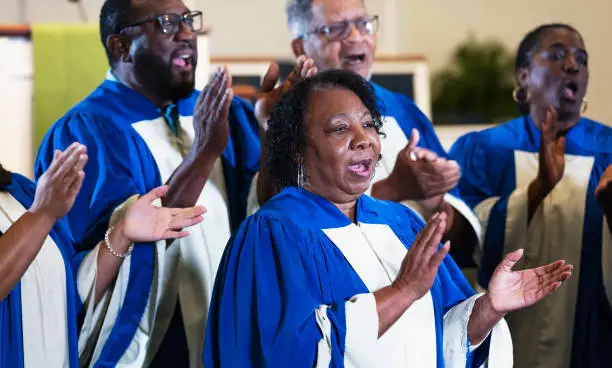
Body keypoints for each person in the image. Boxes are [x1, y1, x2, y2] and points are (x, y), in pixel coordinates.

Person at [203, 69, 573, 367]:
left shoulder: (401, 222)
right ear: (299, 149)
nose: (364, 139)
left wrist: (488, 309)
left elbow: (440, 338)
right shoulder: (273, 232)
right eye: (340, 128)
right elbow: (288, 354)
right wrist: (403, 291)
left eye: (369, 125)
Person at [33, 0, 314, 366]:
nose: (186, 34)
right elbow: (115, 252)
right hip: (155, 348)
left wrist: (273, 132)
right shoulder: (86, 133)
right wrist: (203, 152)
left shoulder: (221, 111)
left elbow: (264, 213)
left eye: (188, 20)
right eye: (166, 23)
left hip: (226, 328)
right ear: (121, 47)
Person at [449, 23, 612, 367]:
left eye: (581, 58)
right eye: (556, 54)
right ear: (523, 75)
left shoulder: (608, 150)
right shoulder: (485, 149)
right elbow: (462, 245)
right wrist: (536, 191)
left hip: (591, 336)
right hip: (506, 334)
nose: (572, 65)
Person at [283, 0, 481, 269]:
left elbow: (461, 242)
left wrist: (434, 198)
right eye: (336, 29)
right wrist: (394, 189)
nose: (356, 37)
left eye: (363, 24)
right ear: (300, 47)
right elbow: (290, 238)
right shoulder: (283, 119)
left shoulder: (402, 112)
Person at [0, 142, 204, 367]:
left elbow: (65, 300)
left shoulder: (21, 194)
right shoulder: (39, 206)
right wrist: (43, 214)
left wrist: (122, 234)